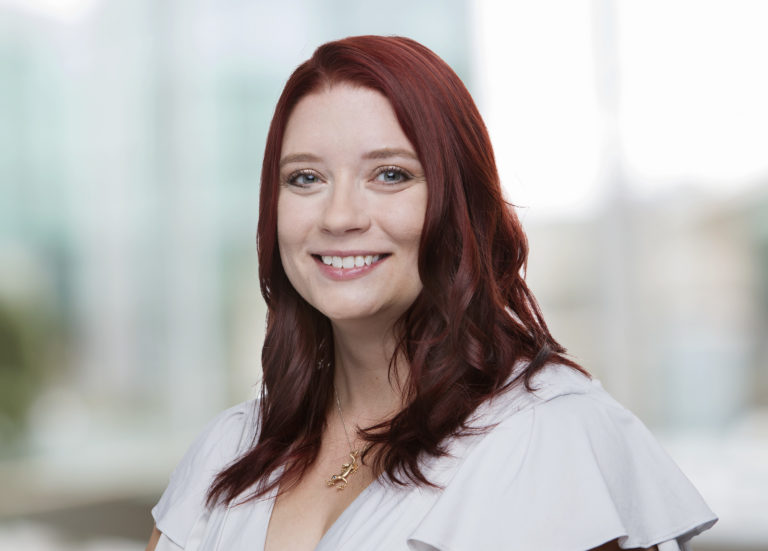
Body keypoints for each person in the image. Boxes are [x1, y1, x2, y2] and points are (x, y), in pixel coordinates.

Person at [145, 35, 717, 551]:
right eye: (306, 178)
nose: (339, 215)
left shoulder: (545, 437)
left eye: (390, 174)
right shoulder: (228, 452)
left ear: (461, 201)